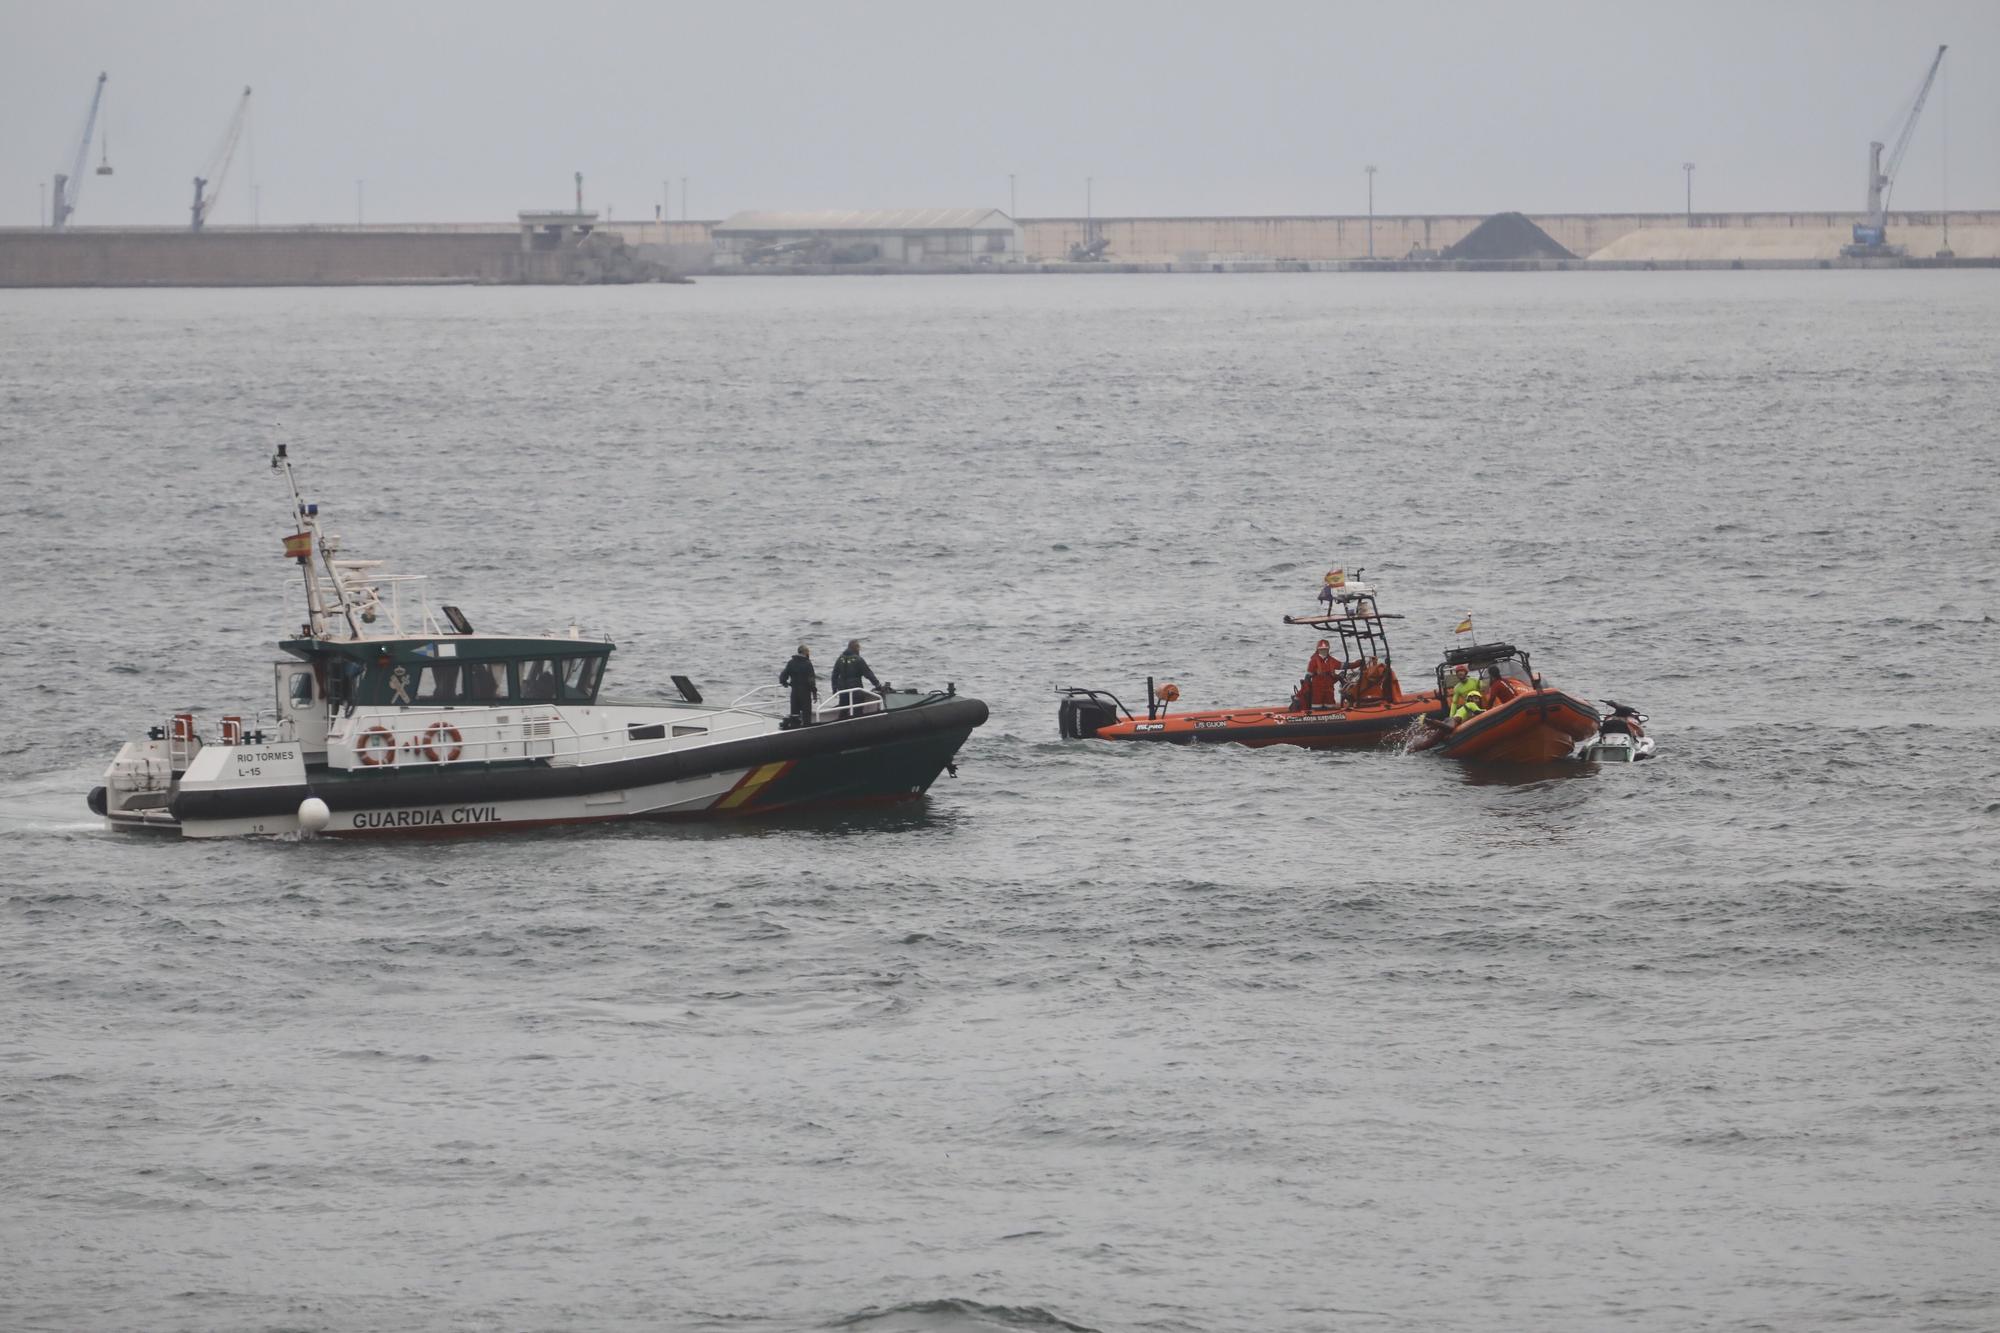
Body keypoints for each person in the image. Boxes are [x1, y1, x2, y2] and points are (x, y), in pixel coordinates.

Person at [830, 639, 883, 720]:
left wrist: (834, 689)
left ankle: (840, 726)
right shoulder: (858, 660)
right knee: (857, 710)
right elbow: (868, 673)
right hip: (855, 688)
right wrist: (877, 685)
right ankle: (857, 726)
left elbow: (834, 675)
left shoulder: (840, 659)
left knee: (843, 710)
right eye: (858, 647)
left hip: (843, 689)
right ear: (856, 648)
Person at [779, 644, 817, 727]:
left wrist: (784, 683)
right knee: (806, 712)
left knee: (794, 712)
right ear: (805, 652)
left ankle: (794, 727)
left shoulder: (791, 662)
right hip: (805, 691)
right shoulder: (807, 663)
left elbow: (783, 675)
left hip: (795, 691)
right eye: (808, 652)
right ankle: (806, 728)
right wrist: (814, 692)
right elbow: (811, 680)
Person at [1303, 639, 1342, 710]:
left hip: (1329, 690)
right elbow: (1308, 676)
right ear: (1318, 650)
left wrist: (1357, 664)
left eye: (1325, 649)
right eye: (1321, 649)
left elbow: (1342, 665)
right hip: (1318, 690)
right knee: (1317, 706)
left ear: (1328, 650)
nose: (1323, 651)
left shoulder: (1331, 660)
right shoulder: (1313, 661)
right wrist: (1306, 688)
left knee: (1330, 706)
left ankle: (1331, 716)